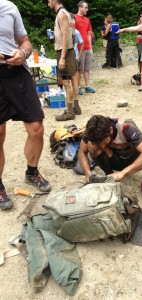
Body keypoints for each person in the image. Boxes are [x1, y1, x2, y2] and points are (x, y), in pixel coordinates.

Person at [0, 0, 51, 210]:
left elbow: (25, 42)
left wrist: (23, 53)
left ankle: (32, 172)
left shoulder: (9, 7)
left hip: (17, 72)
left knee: (36, 129)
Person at [77, 115, 142, 204]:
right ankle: (110, 177)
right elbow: (82, 152)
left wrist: (123, 173)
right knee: (92, 145)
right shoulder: (92, 131)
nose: (101, 146)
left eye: (103, 142)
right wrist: (87, 173)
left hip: (131, 159)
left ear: (110, 130)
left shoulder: (127, 129)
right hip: (115, 159)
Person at [48, 0, 81, 121]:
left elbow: (66, 35)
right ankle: (76, 107)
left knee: (66, 82)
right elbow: (67, 33)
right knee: (72, 78)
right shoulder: (69, 15)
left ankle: (70, 112)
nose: (48, 4)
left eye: (48, 1)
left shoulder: (61, 14)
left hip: (64, 51)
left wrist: (62, 57)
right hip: (70, 50)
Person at [75, 1, 95, 95]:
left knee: (87, 68)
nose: (87, 9)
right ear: (80, 8)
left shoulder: (87, 20)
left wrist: (90, 47)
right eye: (85, 7)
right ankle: (78, 86)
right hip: (79, 48)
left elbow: (89, 33)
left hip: (87, 47)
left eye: (87, 7)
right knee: (79, 69)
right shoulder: (74, 18)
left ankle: (87, 86)